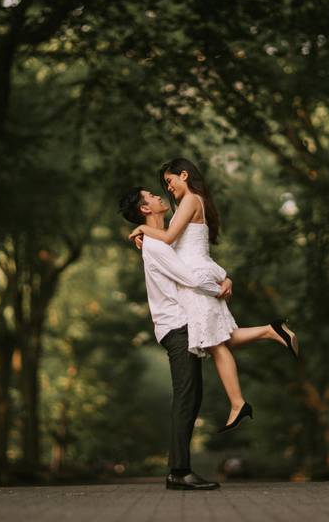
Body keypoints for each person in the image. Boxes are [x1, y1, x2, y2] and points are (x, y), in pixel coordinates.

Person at [127, 159, 299, 432]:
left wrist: (143, 229)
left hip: (195, 281)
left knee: (214, 342)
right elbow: (182, 247)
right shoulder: (192, 202)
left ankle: (238, 402)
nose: (168, 189)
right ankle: (271, 331)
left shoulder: (190, 200)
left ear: (184, 175)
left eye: (170, 182)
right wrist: (222, 276)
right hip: (200, 274)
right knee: (220, 337)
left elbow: (170, 238)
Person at [118, 187, 230, 490]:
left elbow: (194, 262)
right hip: (176, 327)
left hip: (181, 326)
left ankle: (179, 470)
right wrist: (219, 288)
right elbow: (191, 278)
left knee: (192, 397)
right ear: (145, 209)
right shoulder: (156, 246)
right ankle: (179, 472)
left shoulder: (157, 240)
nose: (158, 196)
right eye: (151, 196)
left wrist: (222, 276)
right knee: (186, 397)